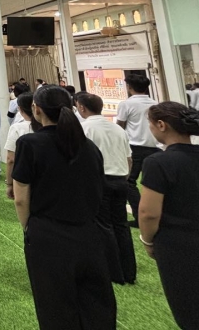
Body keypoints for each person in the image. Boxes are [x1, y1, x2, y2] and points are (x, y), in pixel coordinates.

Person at [12, 85, 116, 329]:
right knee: (96, 306)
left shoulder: (30, 143)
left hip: (48, 234)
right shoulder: (89, 147)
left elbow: (21, 198)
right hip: (89, 233)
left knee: (55, 306)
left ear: (36, 109)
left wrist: (29, 227)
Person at [140, 102, 199, 329]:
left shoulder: (158, 162)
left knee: (188, 307)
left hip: (177, 244)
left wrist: (147, 241)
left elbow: (148, 213)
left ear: (161, 125)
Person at [74, 92, 135, 285]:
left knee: (103, 225)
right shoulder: (117, 129)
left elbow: (79, 158)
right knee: (121, 224)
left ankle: (113, 272)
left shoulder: (84, 128)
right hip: (120, 180)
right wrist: (124, 177)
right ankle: (129, 271)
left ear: (81, 107)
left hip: (100, 181)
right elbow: (129, 159)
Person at [116, 74, 158, 227]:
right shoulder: (155, 103)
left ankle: (140, 217)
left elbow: (120, 126)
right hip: (156, 148)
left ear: (129, 87)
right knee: (155, 183)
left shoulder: (126, 104)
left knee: (129, 182)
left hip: (135, 148)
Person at [4, 92, 34, 200]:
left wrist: (9, 183)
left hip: (23, 175)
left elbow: (10, 159)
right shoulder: (47, 126)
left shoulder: (17, 128)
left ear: (20, 109)